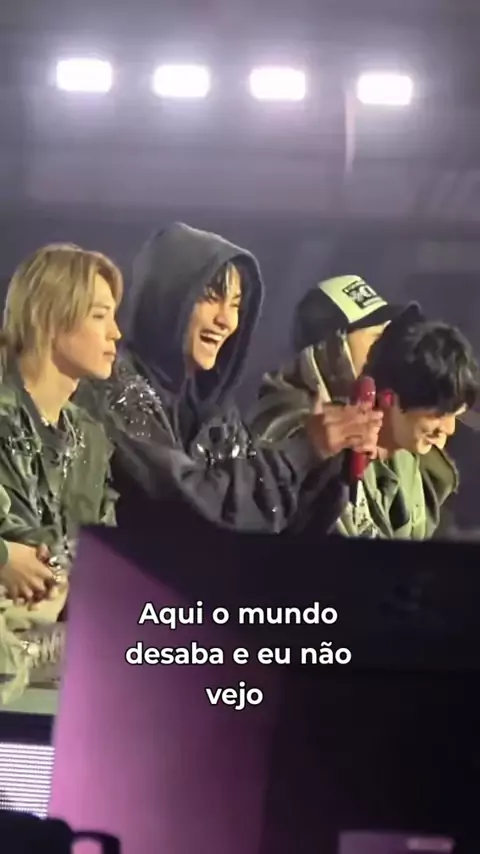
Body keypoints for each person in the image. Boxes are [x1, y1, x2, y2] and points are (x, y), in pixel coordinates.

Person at [75, 223, 383, 533]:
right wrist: (305, 449)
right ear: (167, 298)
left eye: (235, 305)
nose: (226, 320)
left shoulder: (218, 414)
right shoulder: (112, 389)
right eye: (210, 297)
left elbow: (265, 526)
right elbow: (190, 510)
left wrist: (329, 463)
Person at [250, 276, 478, 538]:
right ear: (332, 350)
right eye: (376, 334)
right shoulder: (287, 420)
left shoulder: (392, 428)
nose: (389, 344)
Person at [0, 243, 122, 703]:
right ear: (50, 317)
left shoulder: (89, 436)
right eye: (99, 315)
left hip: (51, 631)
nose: (116, 332)